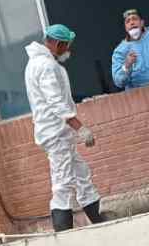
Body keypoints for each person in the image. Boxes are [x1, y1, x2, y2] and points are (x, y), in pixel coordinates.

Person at [24, 24, 104, 232]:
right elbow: (56, 103)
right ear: (58, 44)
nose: (68, 50)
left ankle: (99, 218)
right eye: (66, 46)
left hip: (57, 132)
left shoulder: (38, 64)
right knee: (63, 181)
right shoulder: (46, 66)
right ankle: (64, 232)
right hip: (55, 132)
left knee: (80, 174)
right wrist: (80, 128)